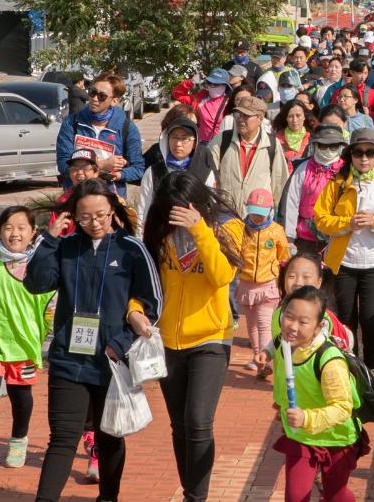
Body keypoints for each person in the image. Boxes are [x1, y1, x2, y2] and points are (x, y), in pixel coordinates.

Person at [25, 179, 162, 502]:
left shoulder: (132, 248)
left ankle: (108, 497)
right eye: (85, 217)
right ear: (74, 217)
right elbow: (36, 282)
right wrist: (48, 239)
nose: (94, 223)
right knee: (62, 439)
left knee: (109, 437)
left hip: (111, 362)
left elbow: (153, 303)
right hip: (68, 360)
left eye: (100, 215)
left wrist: (122, 341)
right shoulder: (67, 247)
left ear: (113, 210)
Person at [139, 171, 244, 502]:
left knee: (198, 421)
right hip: (168, 340)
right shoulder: (160, 235)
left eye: (185, 205)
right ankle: (190, 491)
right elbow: (147, 284)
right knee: (180, 427)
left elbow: (221, 276)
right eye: (173, 207)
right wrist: (135, 311)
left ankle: (196, 497)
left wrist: (199, 228)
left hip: (211, 338)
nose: (179, 212)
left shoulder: (226, 229)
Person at [314, 129, 374, 377]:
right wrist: (347, 224)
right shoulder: (337, 183)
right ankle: (348, 366)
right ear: (350, 155)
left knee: (372, 319)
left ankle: (371, 366)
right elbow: (321, 218)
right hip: (345, 262)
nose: (364, 158)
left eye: (370, 152)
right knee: (346, 319)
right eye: (358, 152)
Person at [0, 205, 53, 475]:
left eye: (21, 228)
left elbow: (50, 306)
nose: (14, 234)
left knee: (21, 396)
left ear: (33, 232)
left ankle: (18, 440)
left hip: (24, 345)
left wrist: (46, 334)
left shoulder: (40, 266)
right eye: (8, 227)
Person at [271, 286, 370, 502]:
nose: (292, 326)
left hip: (338, 437)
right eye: (288, 317)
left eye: (303, 322)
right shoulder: (283, 346)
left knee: (335, 495)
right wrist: (280, 405)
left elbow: (343, 407)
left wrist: (306, 417)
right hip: (302, 436)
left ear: (318, 327)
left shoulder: (329, 360)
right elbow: (282, 381)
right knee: (295, 497)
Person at [55, 71, 145, 198]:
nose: (94, 98)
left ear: (114, 101)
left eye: (102, 96)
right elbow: (63, 164)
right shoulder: (71, 123)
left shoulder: (127, 127)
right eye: (92, 92)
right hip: (76, 198)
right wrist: (101, 165)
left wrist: (117, 174)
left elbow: (138, 169)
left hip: (110, 199)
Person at [236, 188, 290, 379]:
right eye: (253, 212)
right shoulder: (240, 229)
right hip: (246, 283)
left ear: (270, 210)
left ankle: (264, 361)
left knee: (264, 324)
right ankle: (256, 355)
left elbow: (284, 257)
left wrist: (284, 281)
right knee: (250, 325)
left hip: (268, 285)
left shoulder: (276, 231)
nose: (257, 218)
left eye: (261, 213)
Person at [208, 95, 290, 220]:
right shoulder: (222, 140)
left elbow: (280, 183)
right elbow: (209, 176)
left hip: (258, 219)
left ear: (260, 118)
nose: (240, 119)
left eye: (246, 116)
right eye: (238, 115)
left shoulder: (272, 144)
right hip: (226, 217)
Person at [137, 116, 216, 233]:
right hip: (161, 238)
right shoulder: (154, 172)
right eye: (174, 137)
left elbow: (213, 208)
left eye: (184, 139)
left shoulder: (205, 172)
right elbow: (143, 209)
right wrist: (141, 240)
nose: (178, 144)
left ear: (194, 143)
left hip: (194, 238)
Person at [279, 125, 347, 257]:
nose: (328, 150)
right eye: (323, 145)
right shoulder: (302, 169)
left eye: (333, 146)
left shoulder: (347, 171)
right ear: (315, 145)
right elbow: (290, 204)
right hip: (305, 239)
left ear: (340, 147)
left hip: (339, 237)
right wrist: (289, 238)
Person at [272, 252, 353, 353]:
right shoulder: (278, 312)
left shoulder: (323, 318)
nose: (298, 282)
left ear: (319, 282)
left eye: (306, 277)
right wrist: (267, 352)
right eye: (292, 276)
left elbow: (327, 353)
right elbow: (279, 340)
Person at [273, 100, 313, 176]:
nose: (295, 120)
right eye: (290, 116)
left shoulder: (312, 139)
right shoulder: (276, 139)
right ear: (286, 118)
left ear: (304, 116)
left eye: (298, 115)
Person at [194, 68, 234, 145]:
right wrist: (191, 82)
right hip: (200, 143)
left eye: (217, 84)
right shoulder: (200, 99)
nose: (213, 86)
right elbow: (177, 94)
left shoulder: (230, 103)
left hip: (220, 144)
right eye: (210, 83)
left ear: (225, 86)